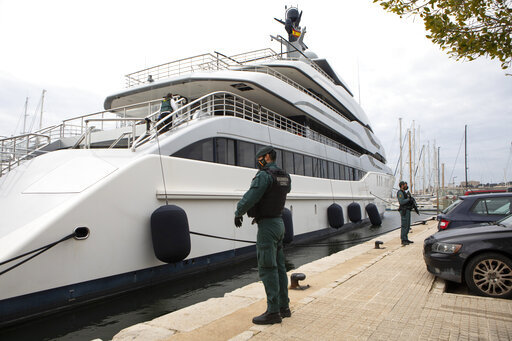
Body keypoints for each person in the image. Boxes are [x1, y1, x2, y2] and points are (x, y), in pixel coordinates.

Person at [234, 146, 292, 325]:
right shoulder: (285, 176)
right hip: (280, 222)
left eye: (260, 157)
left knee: (268, 268)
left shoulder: (264, 176)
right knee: (280, 268)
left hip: (267, 226)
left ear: (267, 157)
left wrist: (238, 212)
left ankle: (273, 312)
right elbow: (282, 193)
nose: (258, 161)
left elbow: (251, 197)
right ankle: (284, 307)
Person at [397, 181, 416, 246]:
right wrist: (408, 199)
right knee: (404, 225)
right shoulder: (400, 193)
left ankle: (406, 238)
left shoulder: (404, 192)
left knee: (408, 225)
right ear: (402, 185)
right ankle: (403, 239)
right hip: (404, 210)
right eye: (405, 185)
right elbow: (401, 201)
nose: (406, 186)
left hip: (407, 210)